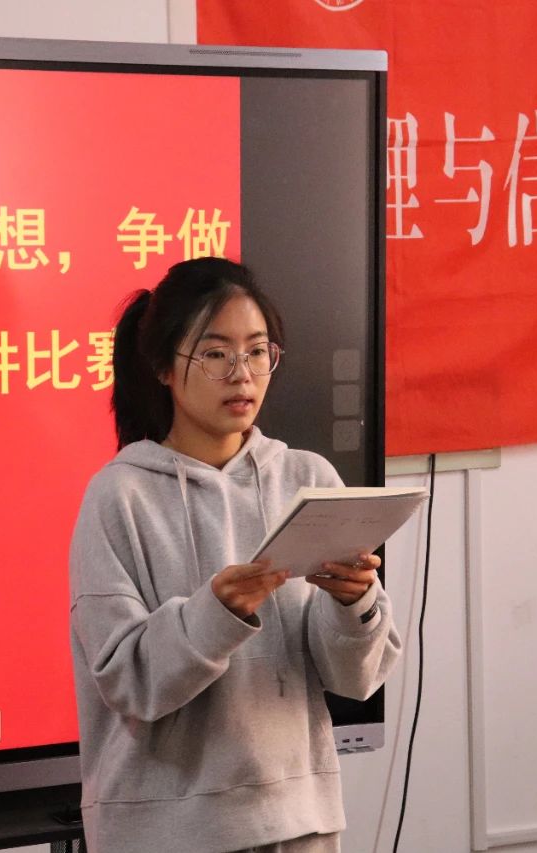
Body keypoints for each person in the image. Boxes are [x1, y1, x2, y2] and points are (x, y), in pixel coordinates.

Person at [69, 257, 402, 853]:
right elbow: (128, 683)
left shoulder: (308, 480)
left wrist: (354, 606)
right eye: (216, 353)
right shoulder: (118, 496)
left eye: (256, 352)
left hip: (297, 822)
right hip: (163, 833)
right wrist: (214, 615)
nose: (241, 374)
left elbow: (355, 679)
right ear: (163, 366)